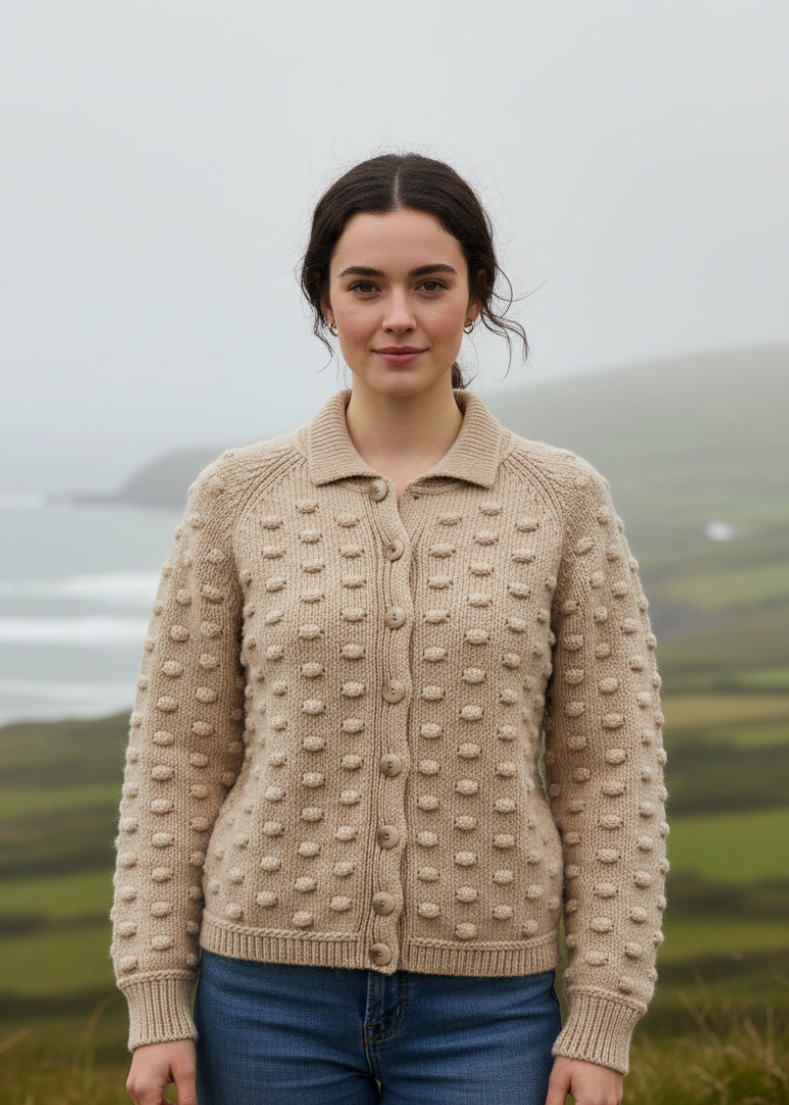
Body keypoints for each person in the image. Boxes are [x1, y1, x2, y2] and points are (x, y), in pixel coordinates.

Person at [111, 152, 667, 1105]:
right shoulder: (237, 497)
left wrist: (603, 1014)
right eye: (364, 286)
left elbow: (610, 770)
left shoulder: (563, 502)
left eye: (430, 284)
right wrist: (157, 997)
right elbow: (177, 754)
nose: (397, 316)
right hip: (261, 1000)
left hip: (491, 1008)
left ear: (475, 294)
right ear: (324, 300)